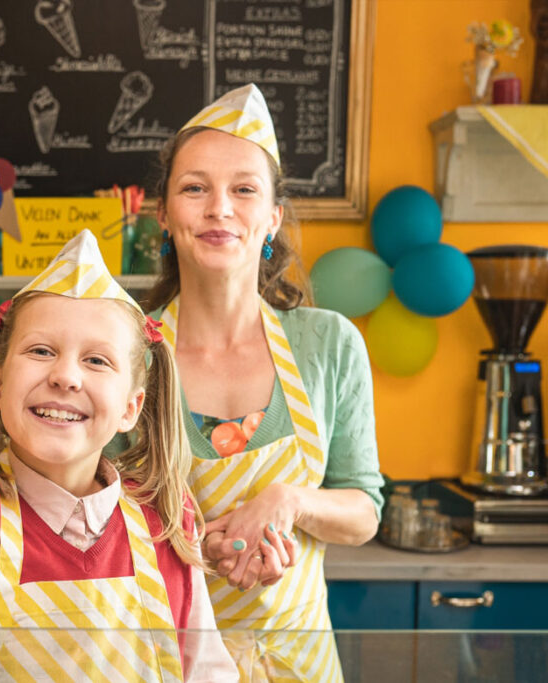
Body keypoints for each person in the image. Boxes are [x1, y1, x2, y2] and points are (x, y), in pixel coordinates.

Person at [0, 230, 240, 682]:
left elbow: (210, 673)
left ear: (131, 408)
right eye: (41, 351)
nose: (65, 377)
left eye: (97, 361)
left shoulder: (167, 518)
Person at [144, 84, 384, 681]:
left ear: (272, 216)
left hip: (298, 665)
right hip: (165, 660)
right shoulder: (128, 352)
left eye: (244, 189)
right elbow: (90, 521)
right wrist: (196, 545)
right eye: (194, 188)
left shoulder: (328, 345)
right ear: (165, 214)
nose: (219, 208)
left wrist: (289, 501)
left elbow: (363, 510)